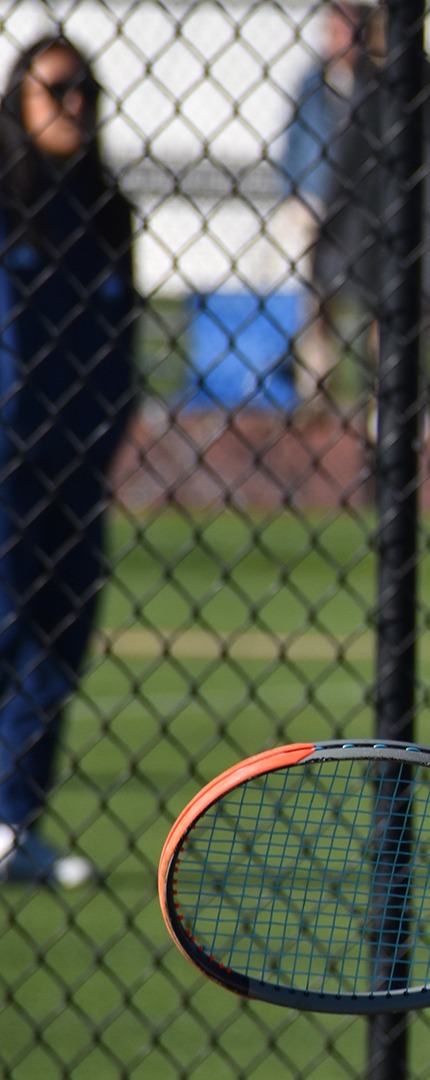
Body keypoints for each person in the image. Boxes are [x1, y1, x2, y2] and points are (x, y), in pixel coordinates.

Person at [0, 36, 138, 886]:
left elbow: (122, 336)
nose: (74, 104)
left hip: (79, 457)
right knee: (6, 624)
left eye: (86, 89)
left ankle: (13, 819)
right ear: (18, 99)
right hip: (4, 456)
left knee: (61, 636)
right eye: (56, 89)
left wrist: (113, 420)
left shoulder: (104, 207)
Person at [307, 7, 430, 429]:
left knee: (428, 313)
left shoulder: (415, 84)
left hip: (419, 218)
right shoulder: (375, 85)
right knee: (388, 310)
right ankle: (392, 400)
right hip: (380, 220)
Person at [273, 0, 367, 409]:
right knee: (317, 298)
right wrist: (295, 195)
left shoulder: (376, 81)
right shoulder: (313, 82)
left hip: (364, 205)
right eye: (335, 28)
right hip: (319, 199)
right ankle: (317, 390)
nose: (342, 37)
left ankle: (381, 390)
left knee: (377, 296)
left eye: (349, 28)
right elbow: (294, 143)